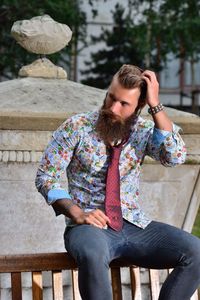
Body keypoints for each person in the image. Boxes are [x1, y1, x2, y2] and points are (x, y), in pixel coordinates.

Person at [35, 64, 200, 300]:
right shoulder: (77, 127)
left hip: (133, 225)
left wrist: (156, 105)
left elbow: (175, 157)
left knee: (196, 251)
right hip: (89, 228)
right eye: (111, 97)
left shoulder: (144, 131)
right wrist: (77, 212)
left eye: (124, 104)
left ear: (139, 107)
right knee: (92, 254)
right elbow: (46, 177)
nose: (112, 108)